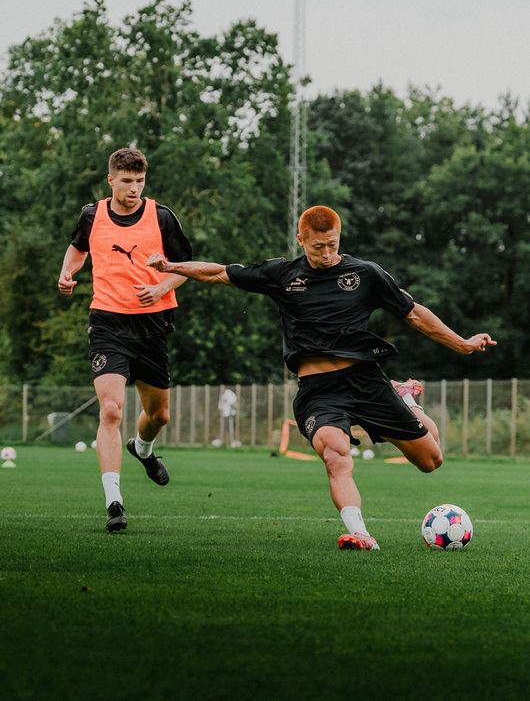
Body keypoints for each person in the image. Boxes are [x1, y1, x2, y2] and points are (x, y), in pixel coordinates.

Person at [146, 205, 496, 551]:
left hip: (366, 382)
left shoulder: (366, 274)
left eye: (332, 245)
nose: (327, 254)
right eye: (318, 247)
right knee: (335, 454)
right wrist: (171, 267)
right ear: (301, 240)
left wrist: (462, 344)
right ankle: (361, 534)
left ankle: (406, 398)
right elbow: (219, 272)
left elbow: (414, 314)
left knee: (431, 460)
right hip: (319, 393)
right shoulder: (282, 275)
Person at [58, 147, 192, 533]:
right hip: (107, 323)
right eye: (127, 181)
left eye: (140, 181)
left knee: (159, 415)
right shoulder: (92, 214)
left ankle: (142, 449)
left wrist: (161, 286)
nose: (134, 189)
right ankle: (113, 501)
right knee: (111, 410)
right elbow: (77, 249)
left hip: (152, 325)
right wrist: (67, 273)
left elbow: (185, 268)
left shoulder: (161, 216)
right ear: (111, 180)